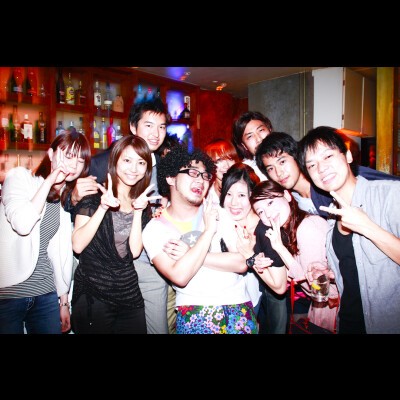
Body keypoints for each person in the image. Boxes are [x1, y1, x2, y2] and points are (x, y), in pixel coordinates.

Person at [142, 146, 259, 334]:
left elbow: (241, 262)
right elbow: (180, 276)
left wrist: (189, 253)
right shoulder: (155, 230)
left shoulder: (219, 212)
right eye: (192, 172)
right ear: (171, 177)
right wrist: (208, 232)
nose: (201, 180)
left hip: (238, 308)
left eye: (205, 175)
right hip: (194, 313)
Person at [297, 126, 400, 334]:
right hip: (348, 323)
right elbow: (355, 267)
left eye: (328, 156)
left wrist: (367, 227)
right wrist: (329, 273)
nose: (321, 168)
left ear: (348, 156)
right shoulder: (332, 215)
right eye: (312, 165)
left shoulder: (390, 195)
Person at [89, 98, 170, 334]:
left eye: (162, 127)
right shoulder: (102, 162)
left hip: (149, 262)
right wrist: (73, 197)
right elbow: (78, 209)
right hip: (110, 268)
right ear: (133, 127)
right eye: (149, 125)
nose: (156, 133)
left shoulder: (164, 165)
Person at [0, 130, 91, 334]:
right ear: (51, 154)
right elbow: (22, 224)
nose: (73, 165)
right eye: (69, 156)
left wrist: (64, 301)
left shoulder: (64, 199)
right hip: (8, 294)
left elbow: (59, 254)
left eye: (80, 160)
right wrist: (49, 181)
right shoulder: (20, 177)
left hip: (46, 294)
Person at [71, 135, 161, 334]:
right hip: (93, 294)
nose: (134, 169)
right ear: (115, 161)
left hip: (128, 293)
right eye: (127, 160)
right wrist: (102, 207)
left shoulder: (141, 203)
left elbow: (134, 252)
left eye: (141, 163)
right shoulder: (93, 198)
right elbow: (77, 245)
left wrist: (138, 212)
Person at [250, 180, 339, 332]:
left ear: (287, 195)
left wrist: (280, 249)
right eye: (261, 212)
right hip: (320, 310)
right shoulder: (289, 230)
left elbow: (316, 287)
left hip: (333, 312)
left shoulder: (307, 227)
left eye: (270, 202)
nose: (268, 214)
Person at [255, 131, 400, 218]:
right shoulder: (290, 201)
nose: (279, 173)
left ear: (297, 156)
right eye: (270, 168)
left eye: (282, 162)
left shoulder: (331, 179)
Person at [232, 111, 288, 334]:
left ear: (270, 130)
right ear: (243, 145)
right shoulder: (247, 170)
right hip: (262, 244)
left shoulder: (285, 160)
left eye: (261, 131)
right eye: (250, 136)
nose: (258, 138)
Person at [204, 138, 239, 205]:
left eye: (230, 159)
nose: (227, 166)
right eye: (219, 160)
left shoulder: (245, 187)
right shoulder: (205, 194)